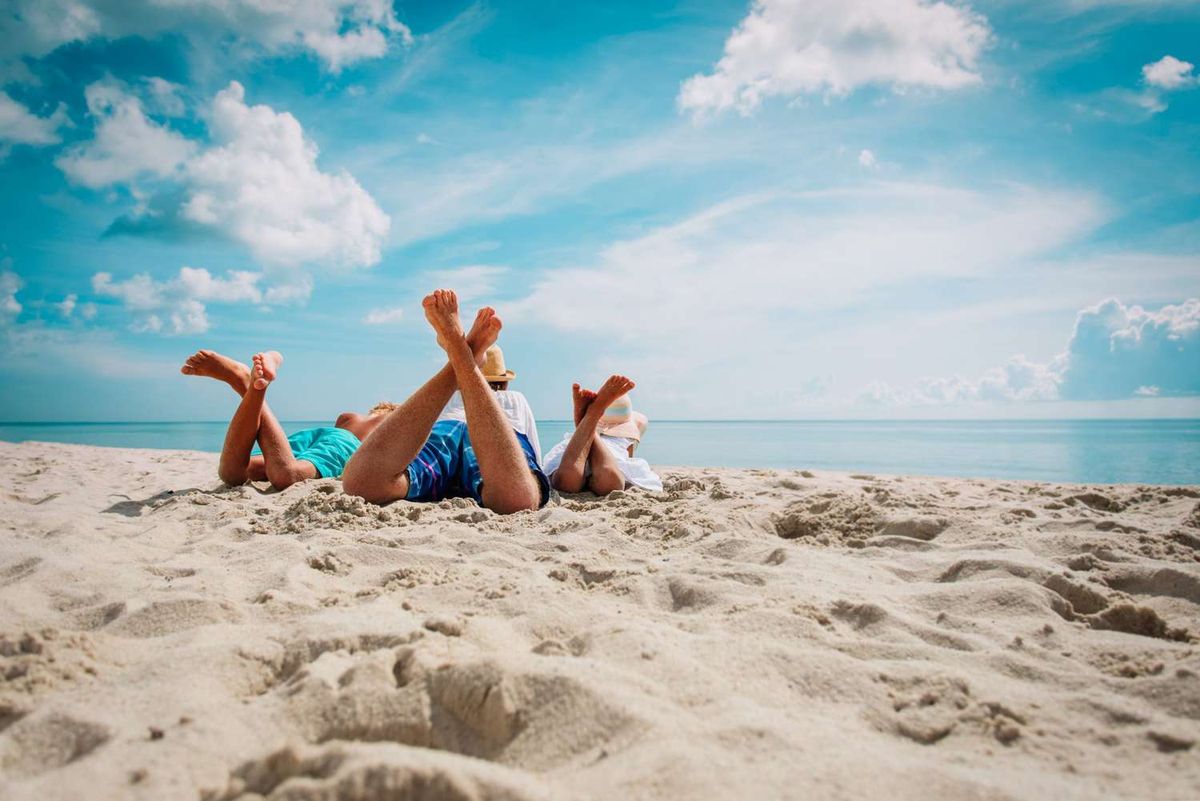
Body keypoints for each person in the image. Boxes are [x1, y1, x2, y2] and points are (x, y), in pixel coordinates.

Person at [341, 290, 549, 514]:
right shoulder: (514, 398)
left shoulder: (444, 395)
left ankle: (458, 353)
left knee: (362, 484)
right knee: (517, 498)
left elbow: (419, 430)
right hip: (495, 438)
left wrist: (459, 366)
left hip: (446, 429)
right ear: (505, 383)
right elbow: (533, 459)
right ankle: (463, 354)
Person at [180, 349, 385, 490]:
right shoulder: (385, 418)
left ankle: (244, 381)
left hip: (312, 437)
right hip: (348, 443)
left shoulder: (349, 418)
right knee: (288, 475)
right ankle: (245, 385)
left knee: (234, 474)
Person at [543, 377, 663, 495]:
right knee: (611, 483)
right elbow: (628, 458)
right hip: (610, 455)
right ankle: (593, 417)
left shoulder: (573, 439)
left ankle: (590, 420)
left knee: (565, 482)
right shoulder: (625, 438)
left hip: (576, 447)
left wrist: (584, 426)